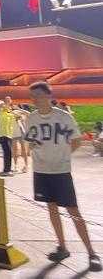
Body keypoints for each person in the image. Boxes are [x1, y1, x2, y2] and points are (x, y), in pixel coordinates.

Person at [25, 81, 101, 272]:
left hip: (60, 171)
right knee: (51, 208)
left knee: (73, 210)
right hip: (41, 170)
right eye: (32, 96)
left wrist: (63, 156)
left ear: (48, 96)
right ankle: (62, 247)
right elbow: (31, 141)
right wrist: (36, 149)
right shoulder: (31, 118)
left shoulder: (63, 117)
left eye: (38, 95)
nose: (34, 99)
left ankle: (92, 253)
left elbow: (76, 140)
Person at [0, 97, 18, 176]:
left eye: (9, 100)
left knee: (9, 153)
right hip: (3, 135)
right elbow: (0, 104)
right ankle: (6, 170)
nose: (8, 102)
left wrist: (16, 110)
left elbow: (18, 116)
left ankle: (8, 168)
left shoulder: (10, 113)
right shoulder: (0, 111)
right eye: (6, 101)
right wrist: (6, 104)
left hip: (9, 135)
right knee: (7, 152)